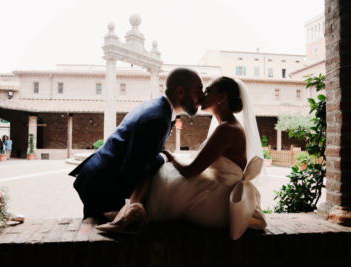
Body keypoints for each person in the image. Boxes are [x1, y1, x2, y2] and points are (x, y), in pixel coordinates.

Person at [96, 76, 267, 240]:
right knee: (160, 168)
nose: (202, 96)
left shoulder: (227, 129)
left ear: (221, 97)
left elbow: (190, 171)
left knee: (158, 168)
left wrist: (170, 157)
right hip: (218, 191)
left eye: (208, 91)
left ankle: (130, 212)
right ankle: (130, 210)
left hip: (217, 204)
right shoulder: (227, 126)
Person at [69, 68, 204, 221]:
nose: (202, 96)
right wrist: (163, 158)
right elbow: (136, 167)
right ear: (180, 92)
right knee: (100, 237)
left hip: (100, 177)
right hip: (104, 185)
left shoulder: (159, 108)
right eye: (198, 90)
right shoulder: (158, 118)